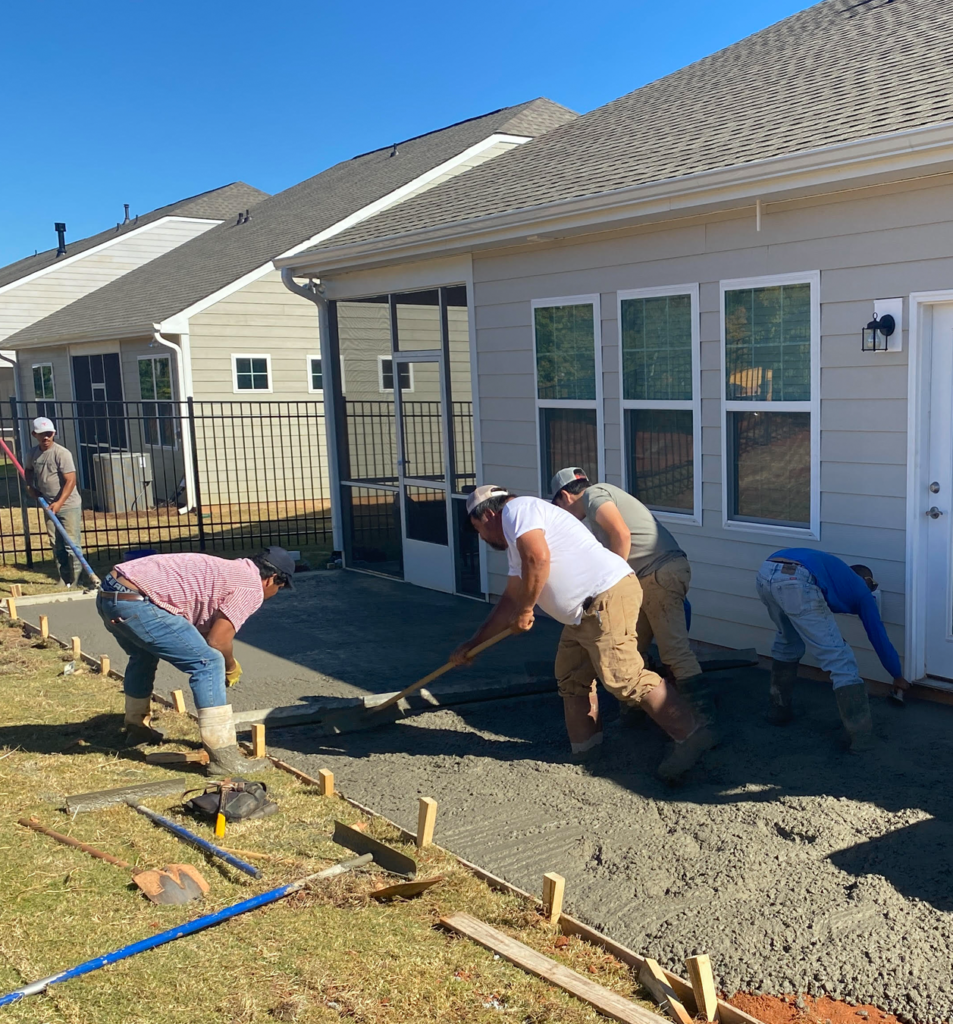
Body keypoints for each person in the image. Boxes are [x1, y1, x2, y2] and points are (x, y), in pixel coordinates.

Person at [452, 486, 715, 781]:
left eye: (478, 529)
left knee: (624, 676)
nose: (483, 538)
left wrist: (527, 610)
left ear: (488, 514)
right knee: (571, 675)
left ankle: (692, 734)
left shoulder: (518, 510)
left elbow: (537, 560)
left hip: (605, 597)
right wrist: (475, 643)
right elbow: (511, 598)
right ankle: (586, 749)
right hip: (583, 613)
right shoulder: (518, 537)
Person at [96, 547, 296, 775]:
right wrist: (230, 666)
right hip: (137, 603)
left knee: (143, 655)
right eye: (279, 588)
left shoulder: (232, 569)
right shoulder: (250, 587)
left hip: (110, 592)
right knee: (209, 663)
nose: (275, 593)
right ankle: (224, 759)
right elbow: (217, 642)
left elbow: (197, 630)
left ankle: (137, 730)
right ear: (271, 579)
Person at [550, 468, 711, 722]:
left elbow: (622, 534)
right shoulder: (595, 515)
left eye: (558, 506)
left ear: (564, 496)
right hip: (648, 577)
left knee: (674, 652)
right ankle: (645, 714)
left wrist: (613, 581)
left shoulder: (594, 495)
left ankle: (703, 721)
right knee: (631, 650)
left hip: (659, 571)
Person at [756, 549, 910, 751]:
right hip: (798, 580)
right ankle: (861, 737)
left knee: (788, 642)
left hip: (766, 573)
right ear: (867, 580)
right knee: (840, 658)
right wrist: (897, 675)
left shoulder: (835, 575)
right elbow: (878, 637)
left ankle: (778, 711)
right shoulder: (861, 589)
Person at [24, 416, 85, 589]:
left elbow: (71, 480)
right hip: (47, 504)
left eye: (49, 434)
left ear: (54, 433)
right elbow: (28, 470)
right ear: (34, 434)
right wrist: (30, 486)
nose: (46, 437)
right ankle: (63, 578)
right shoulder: (32, 454)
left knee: (71, 543)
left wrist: (59, 503)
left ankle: (76, 580)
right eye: (42, 434)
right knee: (56, 543)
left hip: (68, 505)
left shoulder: (62, 453)